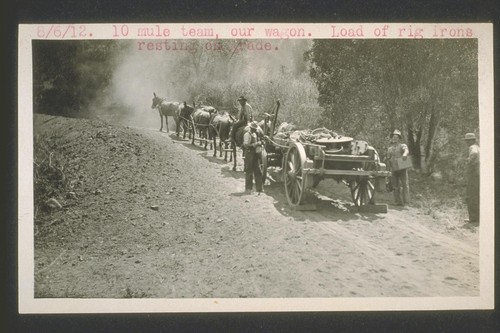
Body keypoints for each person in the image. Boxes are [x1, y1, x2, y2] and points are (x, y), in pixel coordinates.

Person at [386, 129, 410, 206]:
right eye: (393, 137)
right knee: (395, 185)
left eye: (396, 137)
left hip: (402, 166)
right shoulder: (390, 148)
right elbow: (388, 158)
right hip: (394, 167)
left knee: (405, 184)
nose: (394, 138)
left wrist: (405, 154)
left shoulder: (402, 145)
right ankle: (397, 201)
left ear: (399, 138)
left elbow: (406, 150)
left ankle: (406, 202)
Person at [243, 121, 263, 194]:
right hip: (249, 154)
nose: (255, 130)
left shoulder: (255, 134)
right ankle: (248, 188)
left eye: (255, 129)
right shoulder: (247, 135)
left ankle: (259, 188)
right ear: (251, 128)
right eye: (254, 129)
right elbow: (245, 145)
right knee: (249, 171)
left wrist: (260, 144)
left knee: (258, 171)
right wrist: (255, 144)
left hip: (255, 154)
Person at [464, 132, 480, 223]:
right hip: (478, 174)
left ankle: (473, 218)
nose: (466, 142)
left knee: (471, 196)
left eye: (467, 140)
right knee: (477, 195)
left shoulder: (473, 147)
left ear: (472, 140)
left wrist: (469, 161)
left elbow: (473, 154)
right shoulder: (478, 147)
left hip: (474, 174)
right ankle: (477, 218)